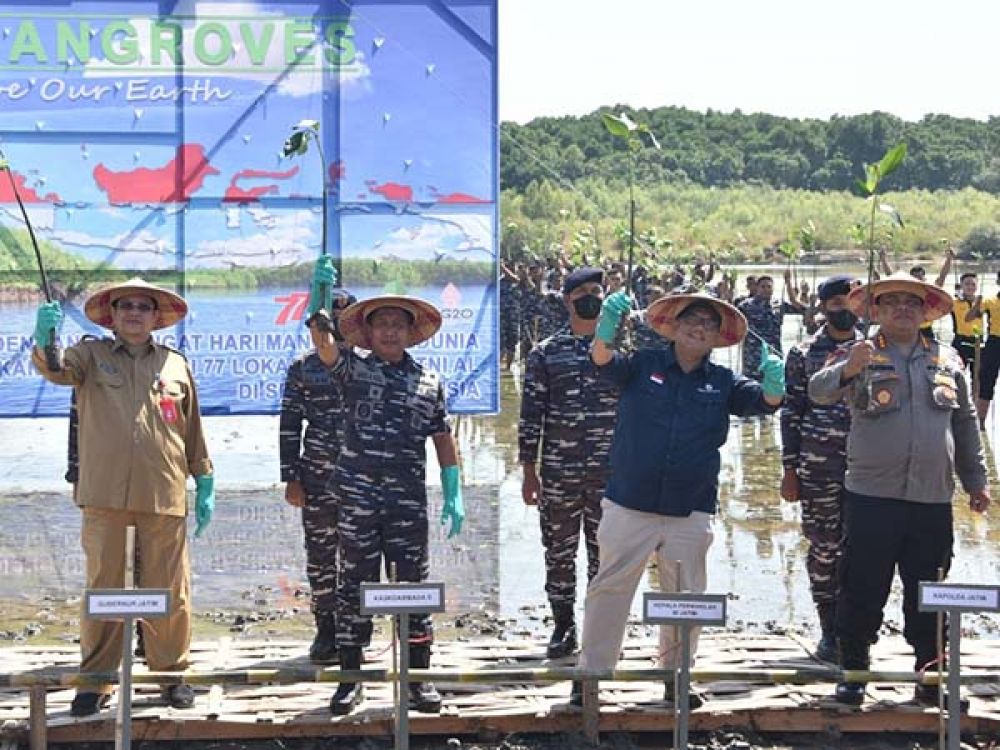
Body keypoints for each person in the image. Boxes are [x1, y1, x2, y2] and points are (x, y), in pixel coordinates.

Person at [572, 290, 785, 706]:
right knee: (609, 590)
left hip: (690, 508)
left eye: (708, 323)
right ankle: (590, 677)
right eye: (691, 319)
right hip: (629, 502)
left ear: (717, 336)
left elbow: (765, 402)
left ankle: (676, 676)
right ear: (673, 326)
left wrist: (775, 382)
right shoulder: (643, 363)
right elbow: (601, 362)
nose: (698, 327)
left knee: (684, 596)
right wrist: (605, 331)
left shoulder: (723, 382)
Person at [32, 278, 214, 716]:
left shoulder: (175, 365)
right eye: (125, 305)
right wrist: (45, 338)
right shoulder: (89, 356)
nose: (134, 312)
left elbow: (191, 429)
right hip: (104, 495)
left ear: (157, 317)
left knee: (170, 589)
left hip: (164, 492)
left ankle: (170, 674)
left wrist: (204, 479)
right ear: (111, 315)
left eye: (143, 306)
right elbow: (56, 371)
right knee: (104, 589)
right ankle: (96, 681)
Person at [809, 272, 990, 706]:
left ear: (926, 310)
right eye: (891, 303)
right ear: (875, 311)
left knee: (930, 588)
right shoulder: (857, 352)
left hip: (931, 497)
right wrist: (847, 369)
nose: (902, 309)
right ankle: (853, 670)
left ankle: (930, 674)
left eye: (911, 302)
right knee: (862, 585)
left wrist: (977, 481)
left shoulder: (947, 360)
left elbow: (965, 425)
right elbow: (817, 393)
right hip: (871, 495)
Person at [306, 258, 465, 715]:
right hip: (357, 502)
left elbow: (443, 437)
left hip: (407, 505)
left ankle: (417, 678)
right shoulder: (353, 371)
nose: (391, 331)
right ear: (369, 333)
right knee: (353, 587)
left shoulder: (428, 380)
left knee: (412, 589)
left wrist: (453, 490)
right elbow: (322, 341)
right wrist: (319, 298)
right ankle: (350, 680)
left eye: (399, 324)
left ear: (411, 332)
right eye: (383, 324)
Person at [519, 267, 620, 659]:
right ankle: (563, 626)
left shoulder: (619, 350)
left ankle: (601, 630)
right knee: (559, 553)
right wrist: (529, 470)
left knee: (606, 555)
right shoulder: (546, 352)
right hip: (560, 472)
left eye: (597, 290)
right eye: (582, 292)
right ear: (567, 300)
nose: (591, 297)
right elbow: (531, 415)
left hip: (611, 475)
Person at [780, 275, 864, 662]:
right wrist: (790, 469)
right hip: (819, 467)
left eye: (851, 301)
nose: (844, 309)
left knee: (864, 552)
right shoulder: (803, 352)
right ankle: (829, 631)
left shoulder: (878, 348)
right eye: (836, 303)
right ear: (824, 307)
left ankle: (857, 633)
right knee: (825, 549)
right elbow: (791, 412)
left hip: (871, 470)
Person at [279, 287, 356, 665]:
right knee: (322, 556)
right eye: (333, 313)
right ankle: (325, 628)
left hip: (363, 481)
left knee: (358, 556)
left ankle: (355, 629)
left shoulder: (369, 364)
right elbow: (290, 426)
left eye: (346, 314)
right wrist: (291, 477)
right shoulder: (302, 368)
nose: (339, 321)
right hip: (318, 477)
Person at [950, 272, 981, 369]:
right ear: (961, 285)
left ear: (977, 286)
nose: (970, 287)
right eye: (967, 284)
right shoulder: (954, 302)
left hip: (977, 341)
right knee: (957, 372)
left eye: (973, 284)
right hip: (960, 341)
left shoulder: (983, 302)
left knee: (977, 375)